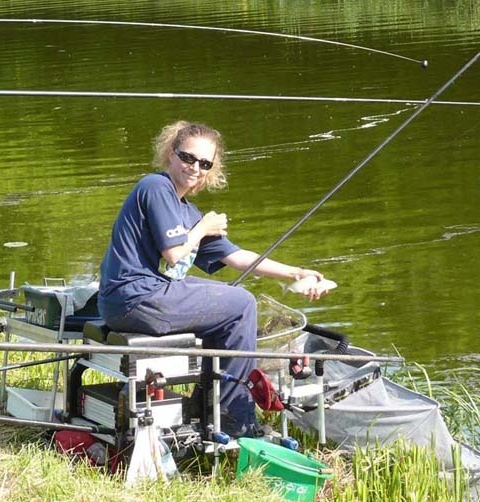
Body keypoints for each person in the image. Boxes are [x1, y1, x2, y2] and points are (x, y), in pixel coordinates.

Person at [97, 121, 331, 437]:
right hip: (133, 298)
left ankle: (205, 408)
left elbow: (236, 257)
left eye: (204, 163)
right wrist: (203, 228)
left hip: (144, 297)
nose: (195, 167)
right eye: (188, 158)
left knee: (228, 297)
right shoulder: (155, 187)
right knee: (243, 304)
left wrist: (295, 273)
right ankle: (237, 418)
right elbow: (174, 253)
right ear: (170, 154)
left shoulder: (188, 211)